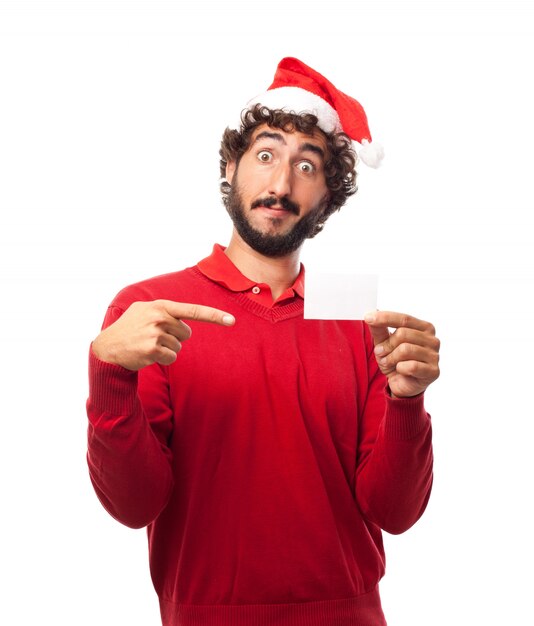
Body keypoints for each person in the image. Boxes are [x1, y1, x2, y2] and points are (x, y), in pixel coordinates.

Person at [86, 57, 440, 626]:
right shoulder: (149, 310)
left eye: (307, 165)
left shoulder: (359, 323)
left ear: (328, 196)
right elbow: (134, 506)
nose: (280, 184)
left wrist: (407, 400)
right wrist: (109, 374)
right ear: (231, 167)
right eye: (267, 154)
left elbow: (394, 513)